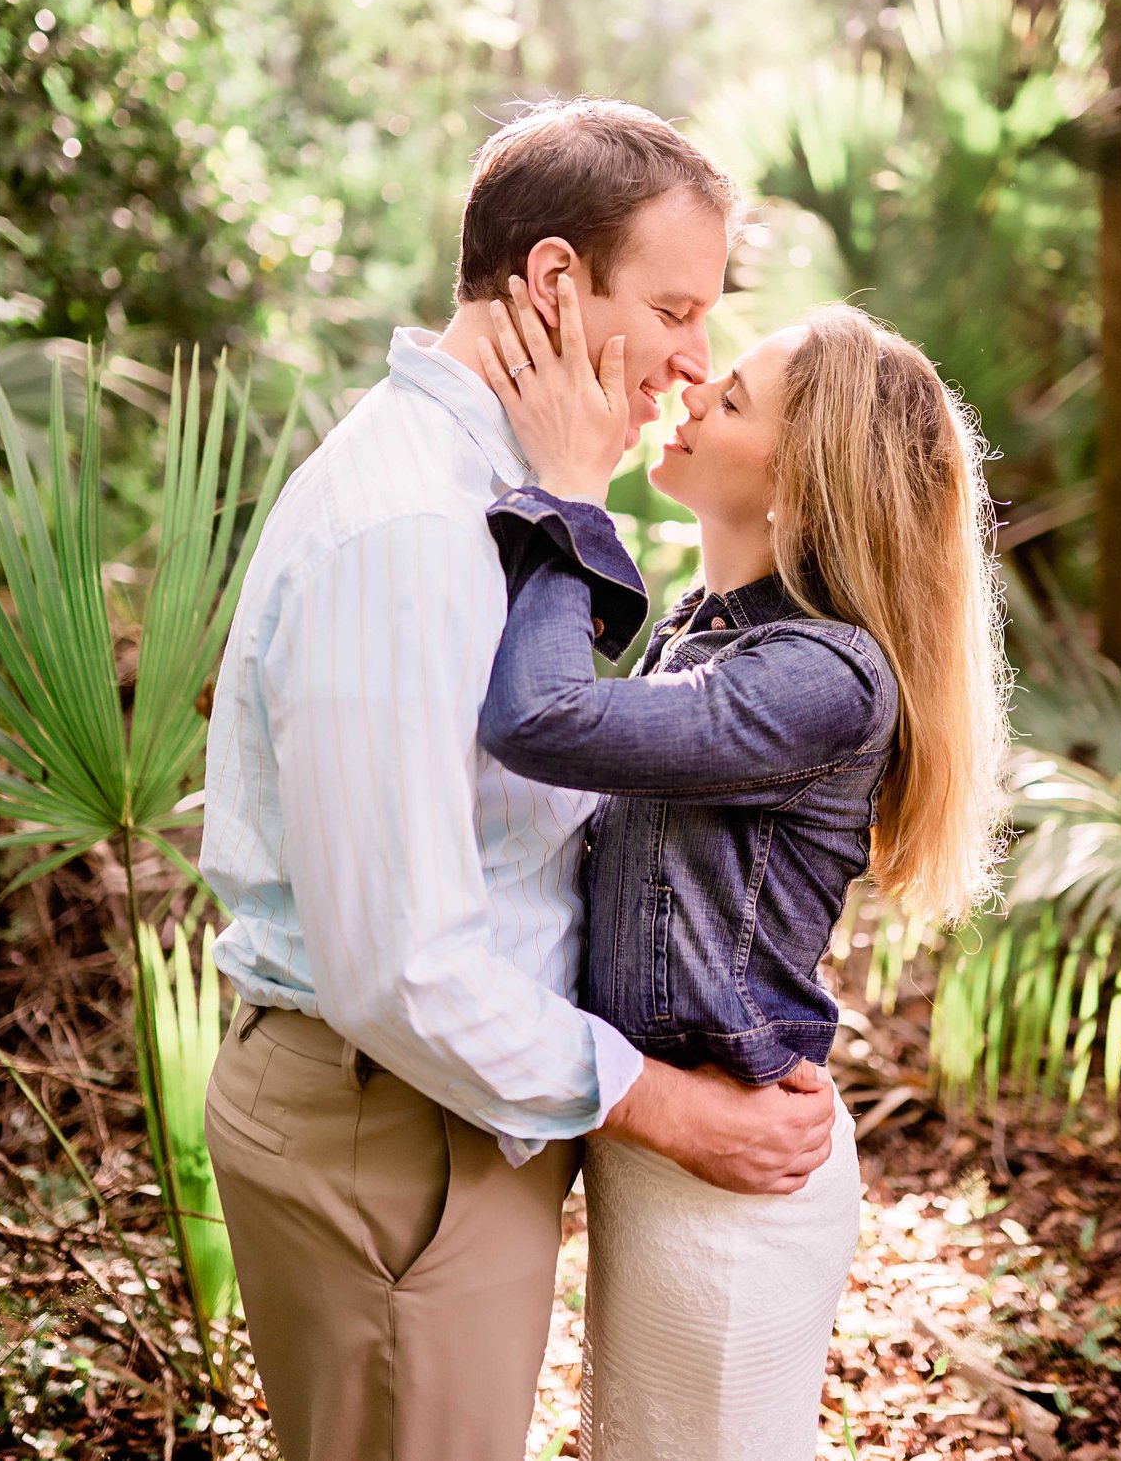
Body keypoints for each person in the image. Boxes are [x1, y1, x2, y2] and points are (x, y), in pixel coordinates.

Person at [199, 99, 841, 1461]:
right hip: (398, 1129)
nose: (695, 355)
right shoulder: (412, 526)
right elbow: (405, 969)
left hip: (448, 1114)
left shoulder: (494, 491)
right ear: (555, 280)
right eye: (674, 307)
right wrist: (680, 1114)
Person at [471, 286, 1007, 1458]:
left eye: (730, 395)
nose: (689, 390)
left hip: (729, 1191)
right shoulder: (701, 631)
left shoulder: (822, 675)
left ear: (799, 479)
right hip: (666, 1153)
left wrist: (567, 491)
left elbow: (538, 713)